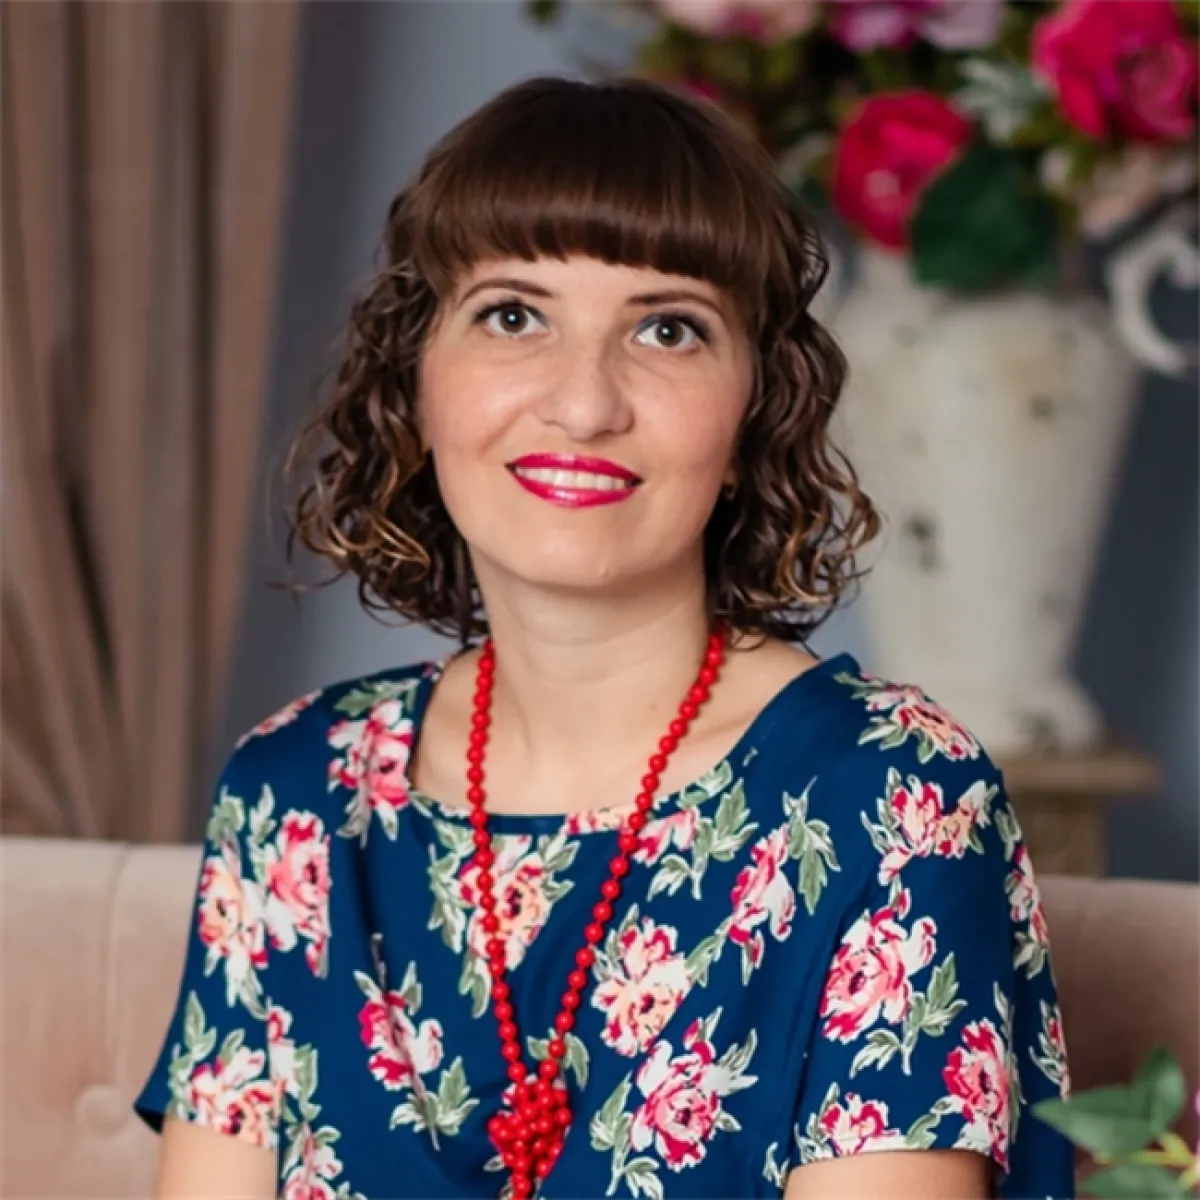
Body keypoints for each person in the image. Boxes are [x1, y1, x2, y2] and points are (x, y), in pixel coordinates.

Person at [133, 76, 1075, 1200]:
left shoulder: (892, 799)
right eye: (513, 315)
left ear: (753, 414)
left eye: (668, 329)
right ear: (417, 381)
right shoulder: (290, 796)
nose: (583, 404)